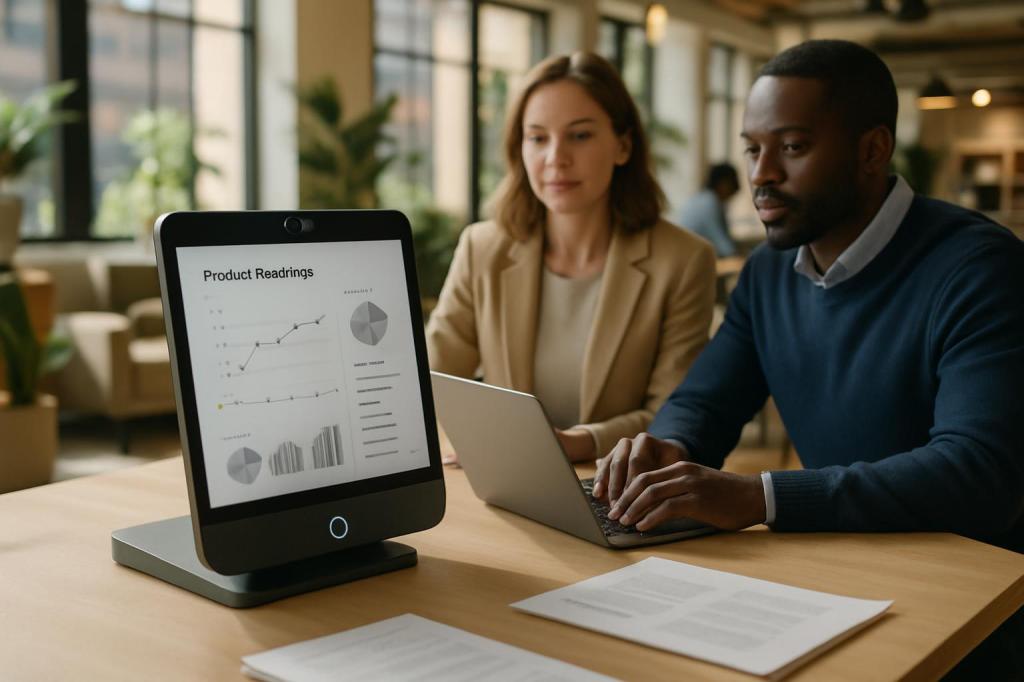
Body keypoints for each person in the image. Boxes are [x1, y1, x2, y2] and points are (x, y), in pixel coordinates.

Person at [592, 40, 1023, 678]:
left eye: (791, 147)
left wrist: (762, 497)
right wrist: (670, 446)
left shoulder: (979, 268)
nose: (761, 173)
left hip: (975, 615)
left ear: (872, 150)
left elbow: (979, 473)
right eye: (752, 148)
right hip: (840, 581)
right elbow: (705, 401)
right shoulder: (768, 274)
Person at [427, 52, 715, 463]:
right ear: (518, 148)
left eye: (579, 136)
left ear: (623, 145)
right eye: (538, 137)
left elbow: (673, 414)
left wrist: (581, 441)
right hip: (505, 480)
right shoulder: (482, 248)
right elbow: (432, 378)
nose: (555, 158)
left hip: (616, 491)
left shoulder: (683, 261)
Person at [678, 163, 741, 257]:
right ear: (723, 184)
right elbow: (724, 245)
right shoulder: (709, 203)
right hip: (690, 260)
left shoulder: (703, 198)